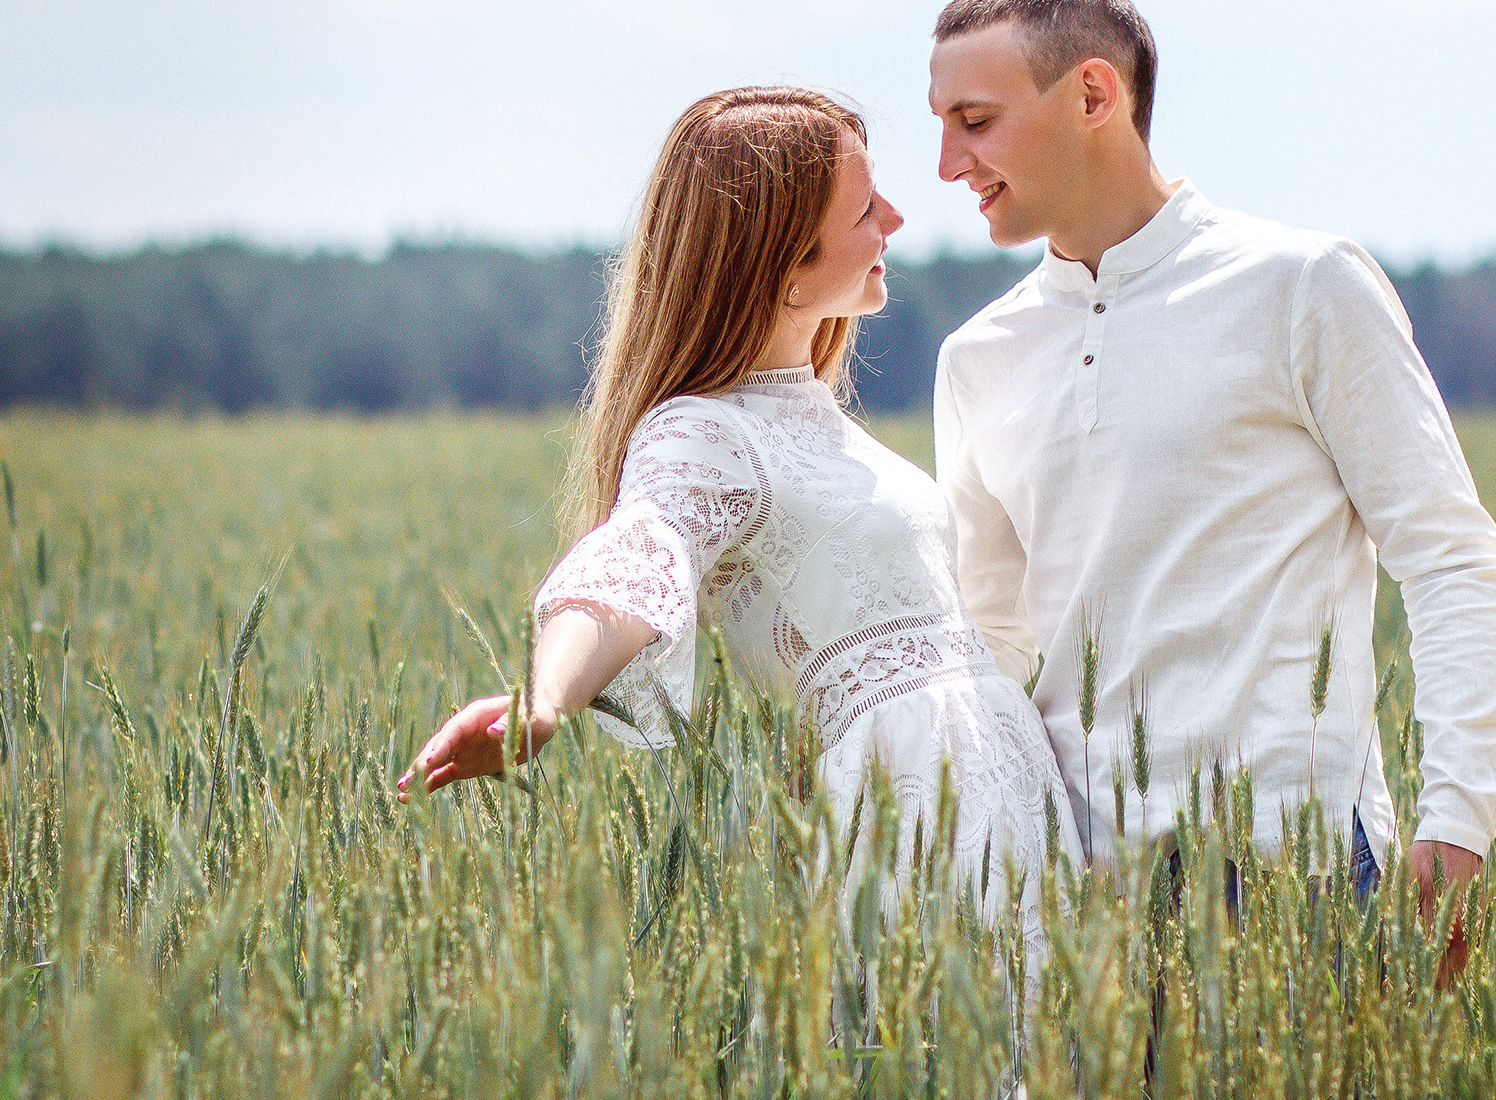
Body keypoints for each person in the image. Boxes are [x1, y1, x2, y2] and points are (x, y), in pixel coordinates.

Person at [927, 0, 1496, 976]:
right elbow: (987, 652)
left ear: (1095, 94)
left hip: (1305, 878)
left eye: (974, 121)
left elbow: (1449, 555)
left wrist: (1458, 815)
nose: (946, 162)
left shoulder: (1302, 285)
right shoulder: (978, 358)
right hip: (1086, 905)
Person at [397, 85, 1082, 951]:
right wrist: (545, 700)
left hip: (1005, 799)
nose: (898, 220)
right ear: (783, 263)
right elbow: (636, 559)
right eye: (866, 207)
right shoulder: (705, 432)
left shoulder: (821, 425)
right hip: (908, 818)